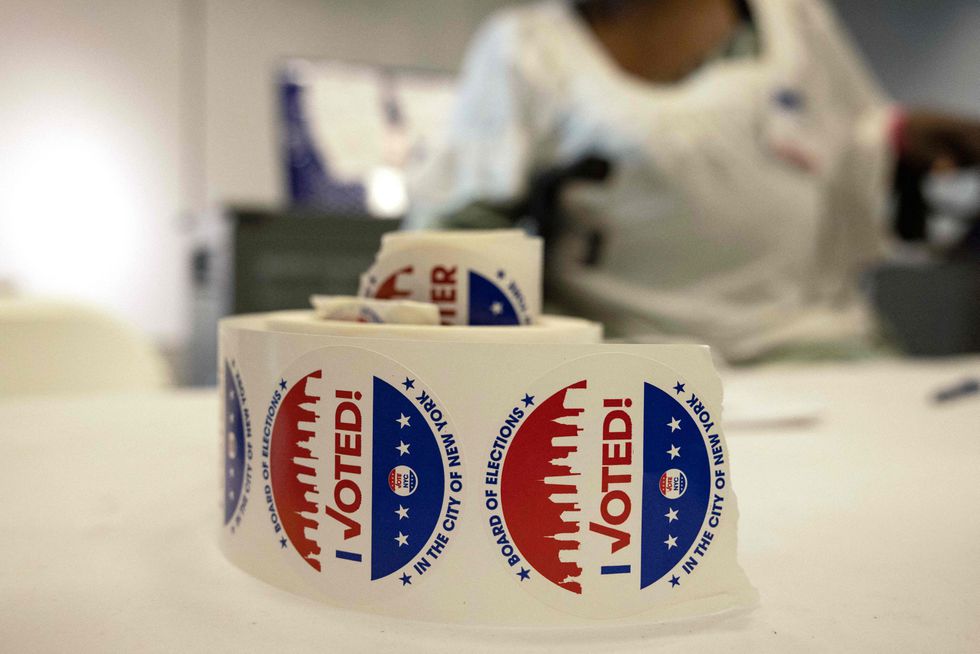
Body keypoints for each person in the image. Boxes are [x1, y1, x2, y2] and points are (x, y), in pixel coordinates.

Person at [406, 0, 980, 362]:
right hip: (622, 365)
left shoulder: (793, 19)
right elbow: (459, 223)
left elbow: (849, 135)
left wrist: (900, 137)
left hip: (811, 341)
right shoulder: (528, 49)